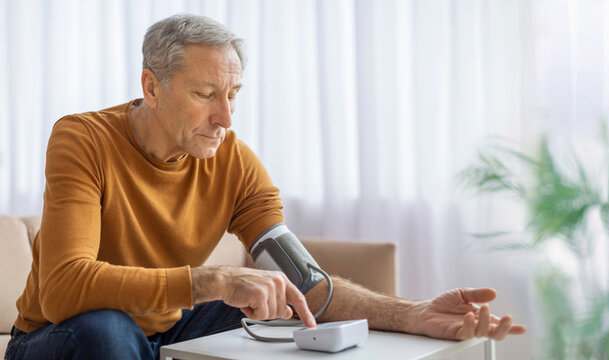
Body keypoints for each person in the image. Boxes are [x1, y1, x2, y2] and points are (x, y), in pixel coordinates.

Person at [4, 14, 525, 360]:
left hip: (166, 326)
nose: (225, 116)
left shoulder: (232, 160)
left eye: (232, 93)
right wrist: (211, 281)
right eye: (206, 93)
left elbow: (306, 282)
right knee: (108, 331)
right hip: (57, 336)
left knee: (275, 305)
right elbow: (65, 287)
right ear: (150, 87)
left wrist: (413, 314)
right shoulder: (82, 138)